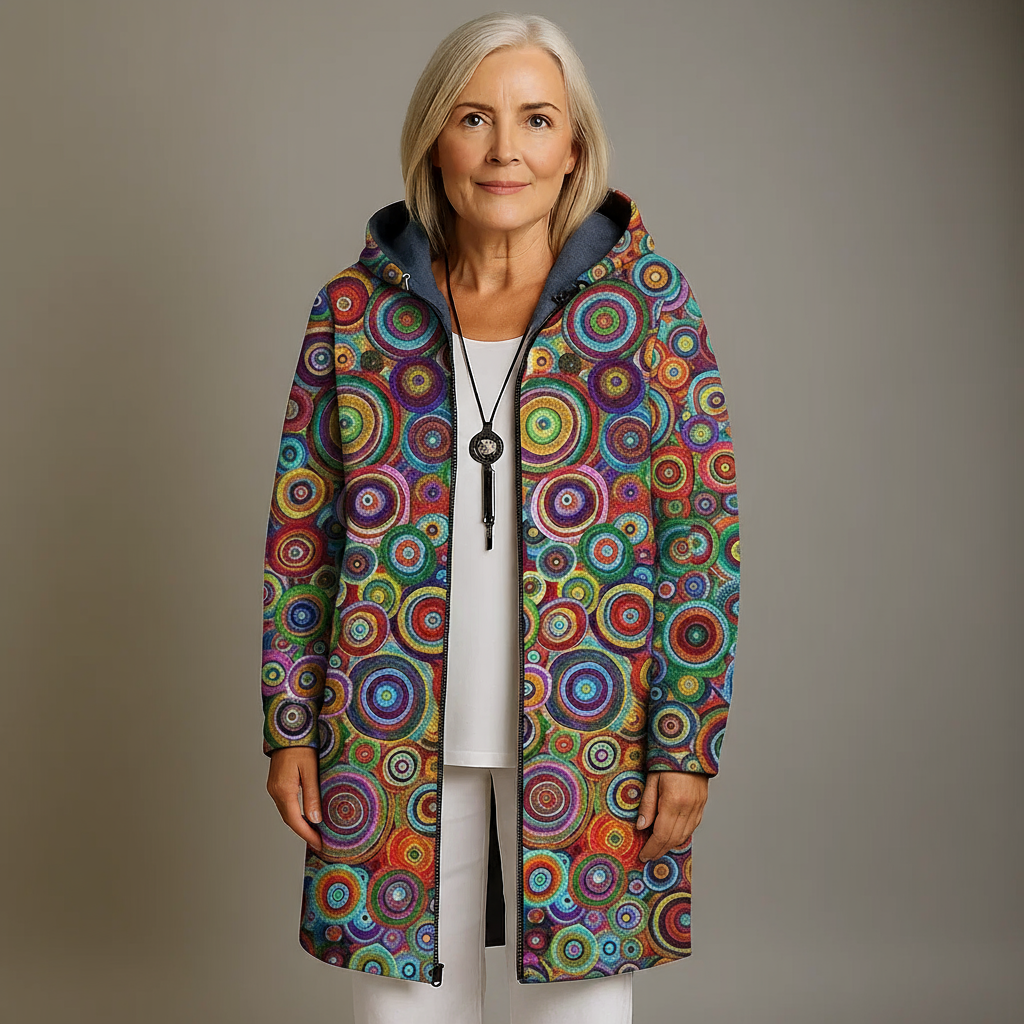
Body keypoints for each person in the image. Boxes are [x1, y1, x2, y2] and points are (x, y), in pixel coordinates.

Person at [261, 12, 740, 1024]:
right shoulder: (355, 312)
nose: (504, 149)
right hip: (386, 726)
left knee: (581, 1008)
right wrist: (290, 721)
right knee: (403, 1009)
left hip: (593, 732)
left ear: (574, 147)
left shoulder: (645, 308)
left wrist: (685, 740)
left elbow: (699, 539)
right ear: (435, 138)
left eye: (536, 119)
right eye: (474, 118)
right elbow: (305, 536)